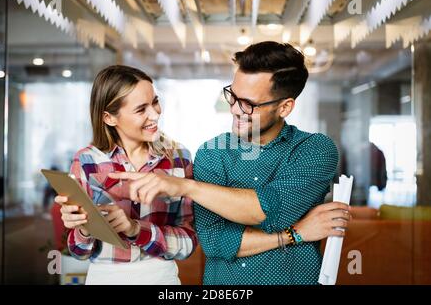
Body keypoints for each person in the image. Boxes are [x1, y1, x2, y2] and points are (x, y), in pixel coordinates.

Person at [109, 42, 351, 285]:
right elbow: (214, 241)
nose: (235, 109)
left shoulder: (314, 149)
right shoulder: (212, 153)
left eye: (249, 104)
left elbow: (269, 211)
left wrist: (186, 187)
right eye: (233, 96)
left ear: (284, 107)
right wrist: (296, 233)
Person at [54, 65, 197, 285]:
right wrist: (83, 228)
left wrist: (135, 229)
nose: (155, 114)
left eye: (155, 102)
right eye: (141, 109)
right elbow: (78, 252)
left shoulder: (179, 158)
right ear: (109, 118)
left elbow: (188, 242)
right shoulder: (86, 162)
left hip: (162, 278)